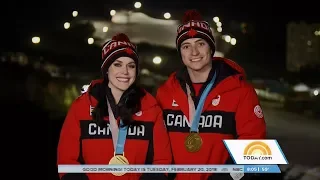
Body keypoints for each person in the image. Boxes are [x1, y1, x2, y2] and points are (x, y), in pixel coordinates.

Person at [156, 10, 267, 180]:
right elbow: (155, 146)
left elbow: (255, 151)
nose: (194, 52)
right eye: (186, 46)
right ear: (181, 53)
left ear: (211, 48)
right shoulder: (164, 93)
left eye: (200, 44)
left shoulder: (241, 91)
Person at [57, 33, 172, 180]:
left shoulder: (151, 108)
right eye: (117, 64)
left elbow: (162, 161)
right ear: (106, 69)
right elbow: (67, 161)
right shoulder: (81, 107)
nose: (125, 72)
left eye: (131, 66)